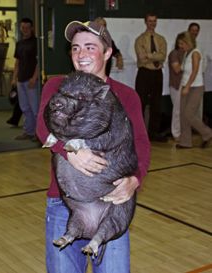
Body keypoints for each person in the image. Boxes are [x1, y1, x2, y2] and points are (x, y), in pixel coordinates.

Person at [36, 20, 150, 273]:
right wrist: (70, 153)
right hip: (64, 204)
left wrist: (135, 180)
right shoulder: (56, 86)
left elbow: (141, 142)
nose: (81, 55)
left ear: (107, 52)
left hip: (112, 204)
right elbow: (43, 129)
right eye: (75, 48)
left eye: (90, 47)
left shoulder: (126, 95)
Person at [134, 13, 167, 142]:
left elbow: (163, 56)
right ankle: (140, 134)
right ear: (145, 22)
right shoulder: (140, 39)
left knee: (156, 104)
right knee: (141, 103)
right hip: (144, 73)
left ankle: (154, 133)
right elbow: (142, 57)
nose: (152, 23)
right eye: (150, 21)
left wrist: (149, 55)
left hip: (157, 74)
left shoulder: (161, 39)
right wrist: (155, 55)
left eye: (154, 21)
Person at [176, 31, 212, 149]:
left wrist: (187, 86)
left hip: (195, 87)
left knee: (189, 114)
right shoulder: (187, 53)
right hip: (185, 86)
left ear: (188, 42)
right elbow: (184, 70)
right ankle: (185, 142)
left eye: (182, 43)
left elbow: (195, 71)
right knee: (183, 115)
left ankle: (208, 133)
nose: (180, 46)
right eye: (179, 44)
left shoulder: (195, 53)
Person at [12, 17, 39, 140]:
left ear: (31, 28)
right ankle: (29, 131)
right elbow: (17, 62)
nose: (25, 30)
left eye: (27, 27)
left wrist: (34, 77)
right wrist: (14, 78)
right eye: (23, 28)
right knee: (24, 107)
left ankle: (39, 134)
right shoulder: (19, 43)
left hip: (31, 80)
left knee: (35, 108)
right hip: (20, 80)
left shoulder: (36, 42)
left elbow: (39, 62)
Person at [168, 33, 185, 141]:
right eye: (180, 43)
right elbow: (177, 69)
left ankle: (183, 132)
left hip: (186, 85)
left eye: (184, 43)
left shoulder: (188, 53)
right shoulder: (174, 53)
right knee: (177, 110)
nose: (182, 45)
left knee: (184, 110)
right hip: (176, 85)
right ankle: (176, 133)